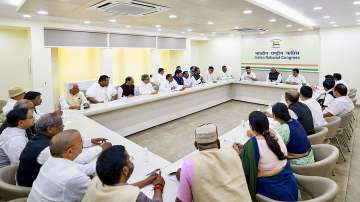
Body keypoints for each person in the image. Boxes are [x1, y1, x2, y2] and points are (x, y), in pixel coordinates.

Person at [17, 113, 111, 187]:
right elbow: (77, 162)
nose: (63, 128)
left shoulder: (38, 138)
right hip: (30, 186)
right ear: (50, 129)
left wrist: (90, 141)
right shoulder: (46, 150)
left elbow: (64, 143)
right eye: (61, 126)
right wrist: (101, 148)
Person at [176, 123, 251, 202]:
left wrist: (183, 178)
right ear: (218, 142)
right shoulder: (233, 153)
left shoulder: (189, 164)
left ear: (195, 145)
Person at [28, 130, 101, 202]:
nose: (83, 143)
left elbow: (81, 168)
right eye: (81, 142)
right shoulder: (74, 177)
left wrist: (103, 164)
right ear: (70, 151)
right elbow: (99, 194)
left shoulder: (50, 161)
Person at [239, 111, 297, 201]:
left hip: (271, 190)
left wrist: (240, 153)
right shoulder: (275, 134)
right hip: (290, 184)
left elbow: (245, 170)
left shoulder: (252, 144)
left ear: (251, 127)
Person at [82, 145, 165, 202]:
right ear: (125, 171)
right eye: (129, 159)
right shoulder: (133, 195)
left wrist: (146, 181)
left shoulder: (96, 180)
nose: (131, 161)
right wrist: (158, 186)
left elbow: (119, 188)